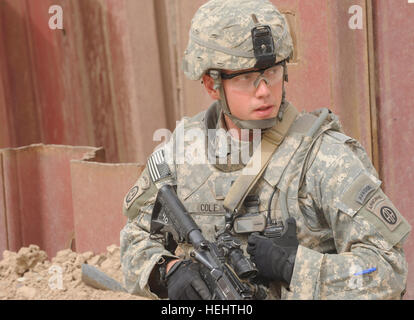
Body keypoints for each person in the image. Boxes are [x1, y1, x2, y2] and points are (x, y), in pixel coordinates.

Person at [120, 0, 411, 300]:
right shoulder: (181, 153)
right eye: (247, 77)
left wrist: (295, 267)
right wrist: (168, 271)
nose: (264, 90)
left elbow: (387, 271)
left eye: (271, 72)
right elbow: (135, 241)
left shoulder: (325, 158)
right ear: (211, 84)